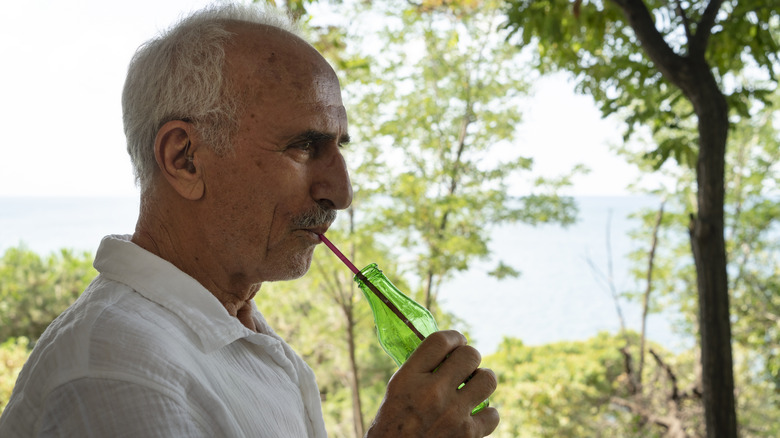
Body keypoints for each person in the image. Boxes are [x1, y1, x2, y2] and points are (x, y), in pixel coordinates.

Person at [0, 3, 499, 437]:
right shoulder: (120, 372)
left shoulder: (225, 328)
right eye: (304, 146)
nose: (341, 194)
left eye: (338, 147)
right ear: (185, 159)